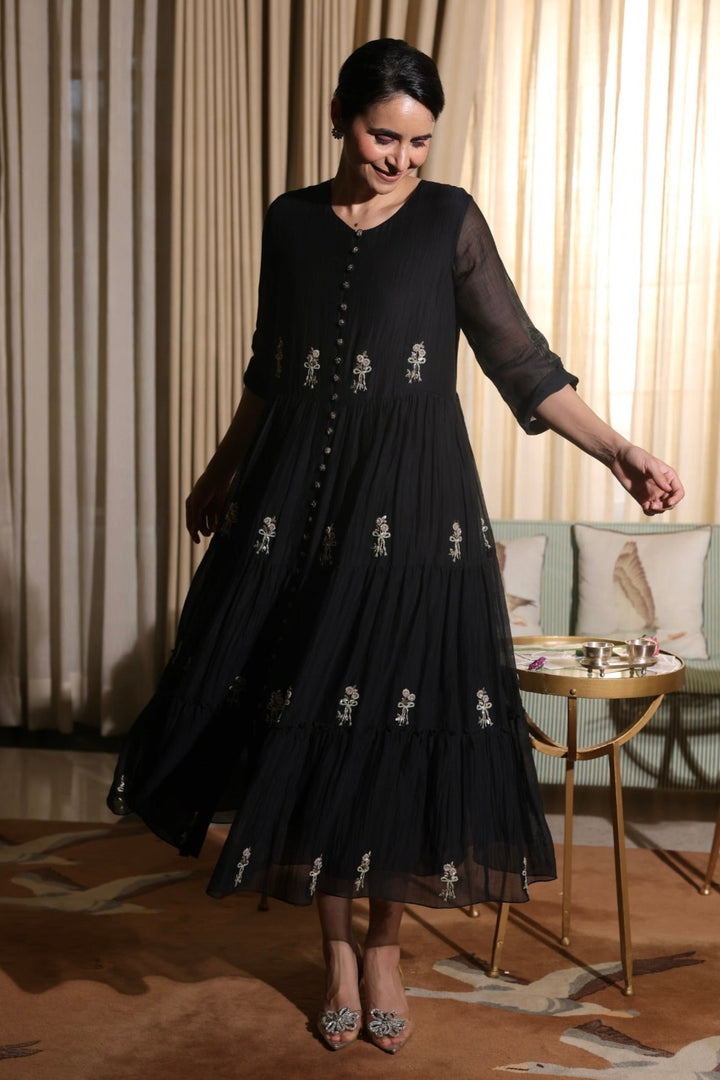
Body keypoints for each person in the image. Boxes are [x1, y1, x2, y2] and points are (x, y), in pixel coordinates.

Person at [108, 39, 684, 1054]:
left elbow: (523, 362)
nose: (401, 160)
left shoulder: (450, 220)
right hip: (301, 509)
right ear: (341, 117)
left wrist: (619, 451)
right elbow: (268, 368)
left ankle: (384, 946)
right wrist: (218, 472)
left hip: (417, 513)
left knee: (398, 722)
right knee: (314, 716)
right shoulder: (290, 222)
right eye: (384, 136)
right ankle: (334, 949)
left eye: (419, 142)